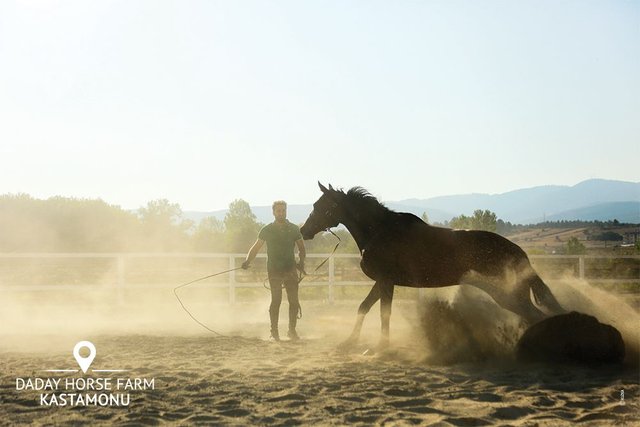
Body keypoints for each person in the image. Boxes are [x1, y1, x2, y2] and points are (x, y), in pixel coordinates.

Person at [242, 200, 306, 341]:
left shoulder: (294, 229)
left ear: (286, 211)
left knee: (294, 301)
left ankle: (292, 331)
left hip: (290, 268)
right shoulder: (267, 230)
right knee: (276, 300)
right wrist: (248, 260)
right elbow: (256, 247)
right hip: (274, 270)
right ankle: (274, 332)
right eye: (278, 211)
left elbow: (301, 248)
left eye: (283, 210)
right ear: (273, 212)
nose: (281, 213)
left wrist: (301, 262)